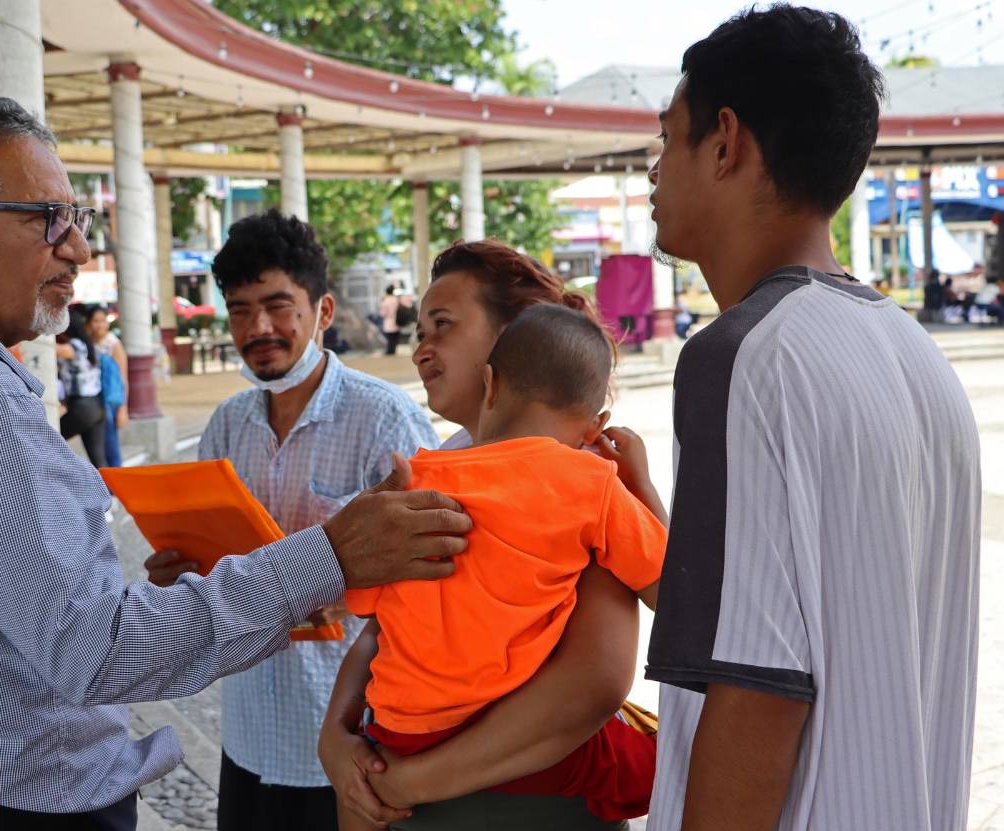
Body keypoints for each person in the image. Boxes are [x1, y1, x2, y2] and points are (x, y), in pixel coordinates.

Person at [0, 96, 470, 830]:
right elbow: (98, 651)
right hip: (3, 802)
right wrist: (333, 554)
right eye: (47, 218)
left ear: (320, 310)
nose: (79, 251)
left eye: (78, 220)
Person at [643, 7, 979, 830]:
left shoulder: (742, 355)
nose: (652, 169)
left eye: (665, 137)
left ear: (725, 142)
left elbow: (757, 688)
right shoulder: (915, 352)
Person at [320, 239, 655, 830]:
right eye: (420, 330)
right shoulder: (442, 463)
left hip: (512, 804)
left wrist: (404, 778)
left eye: (442, 325)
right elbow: (380, 633)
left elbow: (594, 682)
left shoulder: (584, 482)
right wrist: (336, 737)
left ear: (508, 344)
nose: (422, 349)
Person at [145, 210, 439, 831]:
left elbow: (439, 573)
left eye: (279, 306)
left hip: (354, 745)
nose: (259, 327)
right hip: (249, 736)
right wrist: (180, 569)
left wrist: (353, 596)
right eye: (241, 309)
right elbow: (215, 578)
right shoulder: (225, 425)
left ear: (323, 311)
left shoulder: (385, 422)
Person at [56, 308, 108, 468]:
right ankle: (112, 492)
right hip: (97, 406)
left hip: (83, 408)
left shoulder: (73, 346)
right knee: (99, 460)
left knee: (47, 439)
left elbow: (51, 348)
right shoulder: (87, 344)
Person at [84, 304, 129, 466]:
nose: (100, 325)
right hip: (93, 398)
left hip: (110, 401)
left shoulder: (113, 344)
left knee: (111, 446)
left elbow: (123, 377)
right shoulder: (86, 343)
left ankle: (117, 485)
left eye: (103, 320)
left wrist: (123, 409)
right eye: (96, 321)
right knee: (97, 447)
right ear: (88, 323)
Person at [379, 286, 400, 355]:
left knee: (389, 337)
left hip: (388, 320)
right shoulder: (396, 299)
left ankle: (390, 350)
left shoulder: (386, 300)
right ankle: (393, 349)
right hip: (397, 320)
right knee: (395, 337)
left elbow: (383, 313)